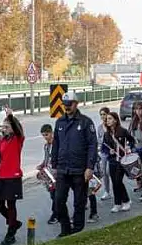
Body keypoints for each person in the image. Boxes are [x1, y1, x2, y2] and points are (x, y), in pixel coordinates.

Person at [50, 91, 98, 237]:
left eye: (69, 104)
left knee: (79, 202)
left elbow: (92, 145)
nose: (67, 107)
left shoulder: (85, 122)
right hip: (63, 168)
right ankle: (65, 229)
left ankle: (78, 229)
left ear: (76, 104)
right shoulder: (60, 122)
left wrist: (90, 167)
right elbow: (56, 145)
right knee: (58, 201)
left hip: (79, 168)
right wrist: (54, 165)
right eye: (65, 105)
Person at [0, 110, 26, 245]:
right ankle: (14, 222)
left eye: (7, 127)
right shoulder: (2, 140)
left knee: (11, 204)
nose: (4, 129)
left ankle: (11, 233)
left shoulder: (17, 139)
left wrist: (10, 116)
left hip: (13, 176)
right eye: (3, 127)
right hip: (2, 176)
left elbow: (18, 129)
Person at [101, 111, 135, 213]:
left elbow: (132, 140)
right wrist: (109, 151)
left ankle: (125, 201)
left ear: (115, 120)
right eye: (107, 119)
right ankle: (118, 203)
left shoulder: (123, 131)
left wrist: (129, 147)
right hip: (112, 161)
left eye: (110, 119)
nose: (108, 121)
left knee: (118, 181)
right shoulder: (106, 134)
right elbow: (103, 147)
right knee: (114, 182)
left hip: (122, 160)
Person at [37, 124, 58, 224]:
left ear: (51, 133)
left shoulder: (57, 144)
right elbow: (46, 158)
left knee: (56, 194)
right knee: (52, 194)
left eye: (47, 135)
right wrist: (41, 165)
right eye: (43, 135)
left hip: (57, 172)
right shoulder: (46, 146)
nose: (45, 137)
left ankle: (56, 214)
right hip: (49, 173)